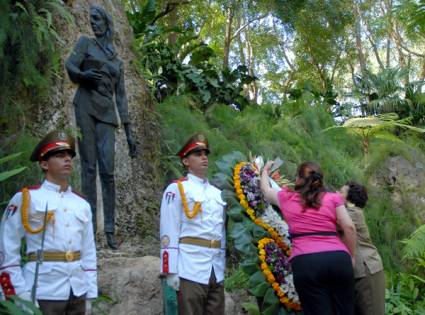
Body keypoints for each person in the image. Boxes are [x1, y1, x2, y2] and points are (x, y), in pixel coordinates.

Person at [0, 131, 97, 315]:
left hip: (77, 290)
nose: (67, 159)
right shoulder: (27, 198)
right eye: (60, 156)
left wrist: (90, 293)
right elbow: (7, 249)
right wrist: (19, 294)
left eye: (69, 156)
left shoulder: (81, 204)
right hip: (42, 289)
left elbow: (89, 252)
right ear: (44, 164)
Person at [65, 4, 136, 249]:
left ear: (106, 23)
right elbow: (70, 67)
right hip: (85, 105)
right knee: (88, 168)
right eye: (90, 19)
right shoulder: (85, 43)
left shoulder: (117, 61)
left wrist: (129, 134)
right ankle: (88, 229)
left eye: (96, 19)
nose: (93, 23)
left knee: (108, 172)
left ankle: (109, 231)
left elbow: (122, 98)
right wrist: (84, 77)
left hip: (107, 114)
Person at [260, 161, 356, 315]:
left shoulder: (286, 198)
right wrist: (351, 255)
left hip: (307, 263)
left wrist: (264, 170)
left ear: (299, 179)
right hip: (339, 259)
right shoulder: (333, 198)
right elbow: (349, 227)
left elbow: (266, 190)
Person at [159, 134, 227, 315]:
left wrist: (222, 264)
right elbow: (168, 230)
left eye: (205, 153)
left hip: (215, 269)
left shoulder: (216, 193)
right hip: (190, 268)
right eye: (197, 153)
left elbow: (222, 233)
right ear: (185, 161)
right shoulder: (177, 189)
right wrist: (170, 270)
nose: (204, 157)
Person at [340, 182, 385, 315]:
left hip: (367, 270)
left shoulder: (353, 213)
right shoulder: (350, 212)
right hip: (363, 270)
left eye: (341, 192)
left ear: (349, 198)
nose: (336, 194)